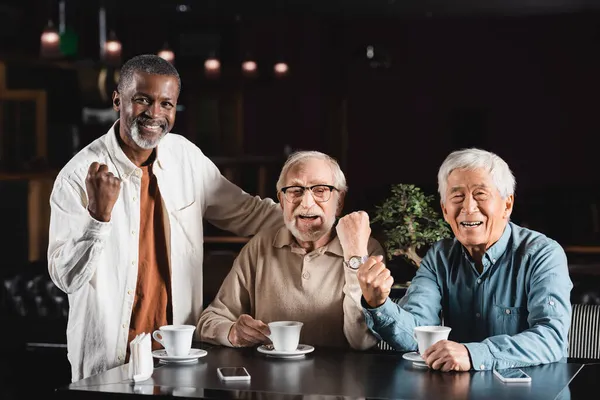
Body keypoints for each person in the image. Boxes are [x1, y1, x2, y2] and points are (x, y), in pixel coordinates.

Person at [47, 54, 282, 381]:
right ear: (118, 100)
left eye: (166, 104)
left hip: (182, 360)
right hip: (108, 366)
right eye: (142, 100)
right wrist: (98, 218)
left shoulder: (186, 158)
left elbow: (251, 214)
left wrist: (316, 219)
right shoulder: (76, 176)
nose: (154, 114)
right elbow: (65, 277)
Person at [358, 148, 572, 372]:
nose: (468, 207)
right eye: (457, 197)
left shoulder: (543, 254)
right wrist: (379, 304)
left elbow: (551, 338)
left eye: (480, 194)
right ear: (444, 210)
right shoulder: (440, 257)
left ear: (507, 205)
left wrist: (473, 353)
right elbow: (417, 337)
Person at [198, 151, 383, 350]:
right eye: (295, 190)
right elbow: (209, 321)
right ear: (282, 199)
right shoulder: (260, 246)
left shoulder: (365, 248)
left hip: (342, 377)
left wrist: (355, 258)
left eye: (320, 190)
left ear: (339, 202)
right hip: (269, 375)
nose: (306, 203)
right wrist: (233, 332)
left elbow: (361, 341)